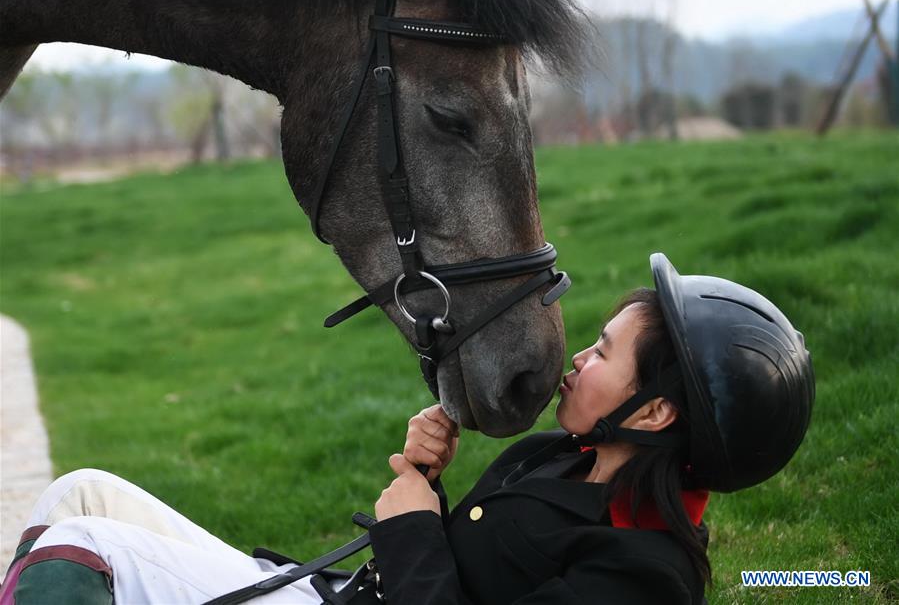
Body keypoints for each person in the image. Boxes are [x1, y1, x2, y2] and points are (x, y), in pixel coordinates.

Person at [0, 254, 814, 604]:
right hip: (327, 592)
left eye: (603, 351)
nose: (576, 358)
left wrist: (414, 531)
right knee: (85, 493)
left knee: (90, 550)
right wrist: (424, 482)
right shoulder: (559, 459)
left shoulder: (640, 574)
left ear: (657, 411)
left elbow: (431, 567)